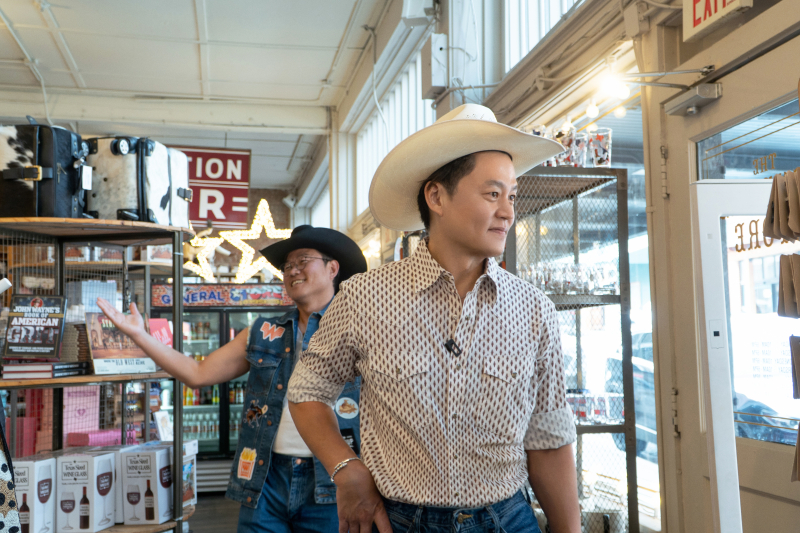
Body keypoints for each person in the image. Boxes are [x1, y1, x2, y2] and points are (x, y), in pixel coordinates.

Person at [288, 104, 581, 533]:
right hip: (401, 520)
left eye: (512, 196)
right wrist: (346, 468)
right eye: (493, 194)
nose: (507, 211)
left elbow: (548, 437)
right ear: (437, 197)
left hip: (508, 518)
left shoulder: (533, 309)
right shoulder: (365, 296)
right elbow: (307, 390)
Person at [96, 225, 367, 533]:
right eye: (286, 265)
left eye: (303, 260)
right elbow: (197, 373)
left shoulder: (360, 330)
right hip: (265, 480)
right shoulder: (264, 332)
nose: (292, 270)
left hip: (336, 480)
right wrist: (139, 335)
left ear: (333, 268)